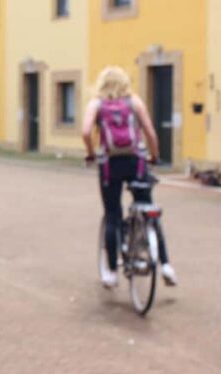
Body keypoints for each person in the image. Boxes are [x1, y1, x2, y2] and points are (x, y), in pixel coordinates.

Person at [82, 66, 178, 288]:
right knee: (148, 210)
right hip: (136, 163)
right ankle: (166, 266)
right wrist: (154, 156)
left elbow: (86, 132)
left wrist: (91, 153)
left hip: (110, 165)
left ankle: (112, 273)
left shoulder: (96, 104)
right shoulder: (134, 102)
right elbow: (150, 133)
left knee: (112, 215)